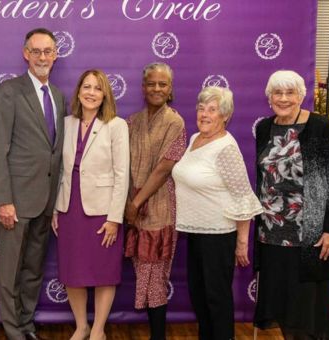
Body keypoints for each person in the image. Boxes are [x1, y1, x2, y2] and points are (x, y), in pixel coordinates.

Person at [253, 70, 329, 339]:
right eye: (277, 93)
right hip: (271, 236)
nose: (283, 98)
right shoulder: (264, 128)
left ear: (301, 96)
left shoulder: (320, 126)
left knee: (309, 315)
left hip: (311, 236)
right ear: (269, 97)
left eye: (290, 92)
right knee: (282, 308)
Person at [0, 28, 65, 340]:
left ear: (56, 54)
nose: (42, 57)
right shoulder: (9, 91)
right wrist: (3, 200)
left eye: (48, 51)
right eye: (36, 51)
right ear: (26, 54)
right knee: (9, 271)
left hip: (45, 201)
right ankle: (12, 330)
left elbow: (54, 152)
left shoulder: (59, 96)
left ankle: (26, 323)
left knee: (33, 268)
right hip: (16, 201)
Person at [171, 86, 263, 340]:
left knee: (216, 299)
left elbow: (243, 195)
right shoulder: (195, 140)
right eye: (201, 108)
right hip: (195, 232)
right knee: (199, 296)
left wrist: (241, 242)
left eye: (212, 110)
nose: (205, 114)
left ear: (225, 115)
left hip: (219, 235)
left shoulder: (226, 148)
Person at [52, 69, 130, 340]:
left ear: (105, 94)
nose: (91, 93)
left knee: (104, 271)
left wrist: (115, 218)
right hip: (69, 208)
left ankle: (98, 329)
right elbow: (59, 169)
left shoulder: (116, 125)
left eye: (97, 88)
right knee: (73, 271)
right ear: (78, 91)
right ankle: (81, 326)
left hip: (102, 211)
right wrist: (55, 208)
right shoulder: (67, 123)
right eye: (86, 87)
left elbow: (122, 174)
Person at [124, 62, 186, 340]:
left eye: (163, 84)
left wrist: (135, 203)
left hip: (159, 209)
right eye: (152, 83)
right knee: (143, 273)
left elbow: (163, 169)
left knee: (156, 276)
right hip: (133, 210)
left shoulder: (175, 121)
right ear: (143, 87)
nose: (157, 88)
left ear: (170, 89)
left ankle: (158, 336)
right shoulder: (132, 122)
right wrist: (129, 204)